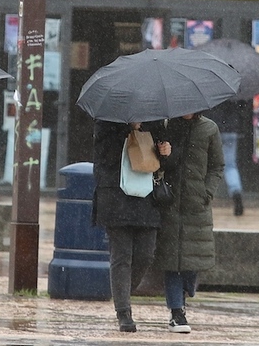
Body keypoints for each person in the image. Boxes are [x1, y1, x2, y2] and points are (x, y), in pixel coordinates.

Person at [92, 119, 170, 332]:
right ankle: (123, 312)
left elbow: (158, 163)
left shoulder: (153, 119)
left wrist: (164, 151)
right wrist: (127, 130)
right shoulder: (107, 120)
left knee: (146, 255)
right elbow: (103, 157)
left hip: (147, 196)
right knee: (122, 256)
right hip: (116, 196)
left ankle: (122, 293)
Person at [153, 112, 224, 334]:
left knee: (192, 262)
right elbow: (156, 164)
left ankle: (184, 293)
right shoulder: (166, 127)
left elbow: (217, 166)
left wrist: (207, 192)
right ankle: (177, 311)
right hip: (170, 204)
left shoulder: (209, 129)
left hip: (197, 205)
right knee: (172, 261)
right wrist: (163, 154)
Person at [206, 97, 250, 216]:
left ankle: (204, 196)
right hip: (231, 130)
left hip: (213, 129)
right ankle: (236, 191)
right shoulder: (233, 91)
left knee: (207, 165)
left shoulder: (210, 91)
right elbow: (242, 109)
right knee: (230, 166)